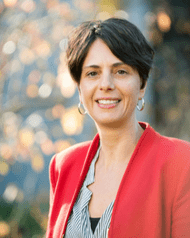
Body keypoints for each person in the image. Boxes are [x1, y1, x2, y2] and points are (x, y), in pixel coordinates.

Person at [46, 18, 190, 238]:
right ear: (79, 88)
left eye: (120, 71)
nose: (106, 84)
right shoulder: (63, 166)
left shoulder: (181, 163)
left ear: (141, 85)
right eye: (92, 73)